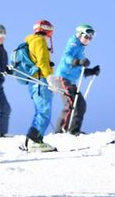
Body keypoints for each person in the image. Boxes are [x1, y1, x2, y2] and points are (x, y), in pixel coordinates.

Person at [53, 24, 101, 134]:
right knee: (70, 103)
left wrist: (90, 71)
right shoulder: (73, 43)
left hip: (71, 81)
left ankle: (74, 130)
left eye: (91, 37)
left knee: (80, 104)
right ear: (79, 34)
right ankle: (60, 132)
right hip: (62, 78)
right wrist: (78, 62)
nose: (89, 39)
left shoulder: (80, 49)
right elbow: (67, 57)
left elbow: (79, 70)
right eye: (87, 36)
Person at [22, 20, 57, 153]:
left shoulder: (31, 41)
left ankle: (31, 140)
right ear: (47, 30)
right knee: (44, 111)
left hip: (34, 82)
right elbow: (43, 62)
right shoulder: (40, 41)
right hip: (40, 81)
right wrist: (50, 78)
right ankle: (34, 141)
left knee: (40, 111)